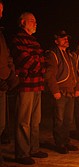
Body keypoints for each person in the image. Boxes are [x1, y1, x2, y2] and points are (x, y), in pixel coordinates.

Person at [10, 12, 48, 165]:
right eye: (32, 21)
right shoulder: (17, 39)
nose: (35, 23)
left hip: (37, 84)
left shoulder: (34, 41)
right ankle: (22, 153)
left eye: (36, 21)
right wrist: (39, 64)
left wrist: (38, 63)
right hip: (26, 86)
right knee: (23, 121)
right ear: (23, 22)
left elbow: (43, 61)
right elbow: (25, 59)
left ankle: (34, 148)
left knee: (35, 120)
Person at [44, 30, 79, 154]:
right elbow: (49, 75)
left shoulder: (69, 55)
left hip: (70, 91)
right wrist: (55, 90)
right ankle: (59, 144)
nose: (66, 39)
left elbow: (75, 73)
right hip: (60, 92)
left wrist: (77, 88)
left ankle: (66, 141)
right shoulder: (53, 54)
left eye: (67, 38)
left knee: (68, 119)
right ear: (56, 41)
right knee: (59, 119)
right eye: (62, 38)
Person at [0, 1, 19, 166]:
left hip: (3, 83)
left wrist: (11, 76)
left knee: (1, 123)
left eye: (1, 11)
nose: (0, 14)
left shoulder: (1, 33)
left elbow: (7, 57)